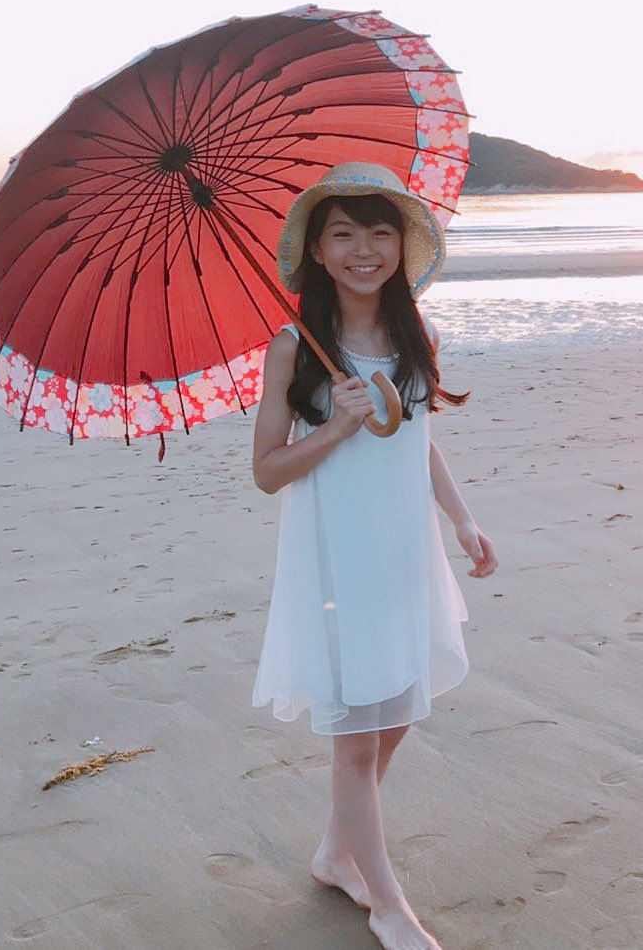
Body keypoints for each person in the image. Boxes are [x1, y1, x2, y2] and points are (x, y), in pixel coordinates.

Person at [251, 161, 498, 950]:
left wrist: (462, 521)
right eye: (344, 235)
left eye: (380, 233)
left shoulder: (415, 336)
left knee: (394, 716)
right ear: (317, 252)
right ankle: (389, 905)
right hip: (338, 564)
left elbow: (420, 442)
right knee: (355, 743)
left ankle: (336, 854)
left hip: (403, 556)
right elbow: (267, 472)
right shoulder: (294, 348)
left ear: (402, 244)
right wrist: (335, 427)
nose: (364, 250)